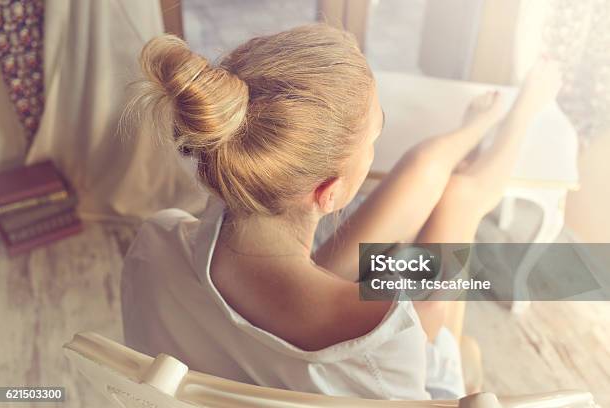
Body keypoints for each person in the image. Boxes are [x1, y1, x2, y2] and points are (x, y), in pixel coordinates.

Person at [120, 24, 561, 400]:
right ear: (328, 193)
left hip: (255, 355)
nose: (373, 146)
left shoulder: (155, 242)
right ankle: (518, 115)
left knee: (428, 177)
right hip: (387, 381)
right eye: (373, 138)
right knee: (461, 198)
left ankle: (477, 126)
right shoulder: (381, 331)